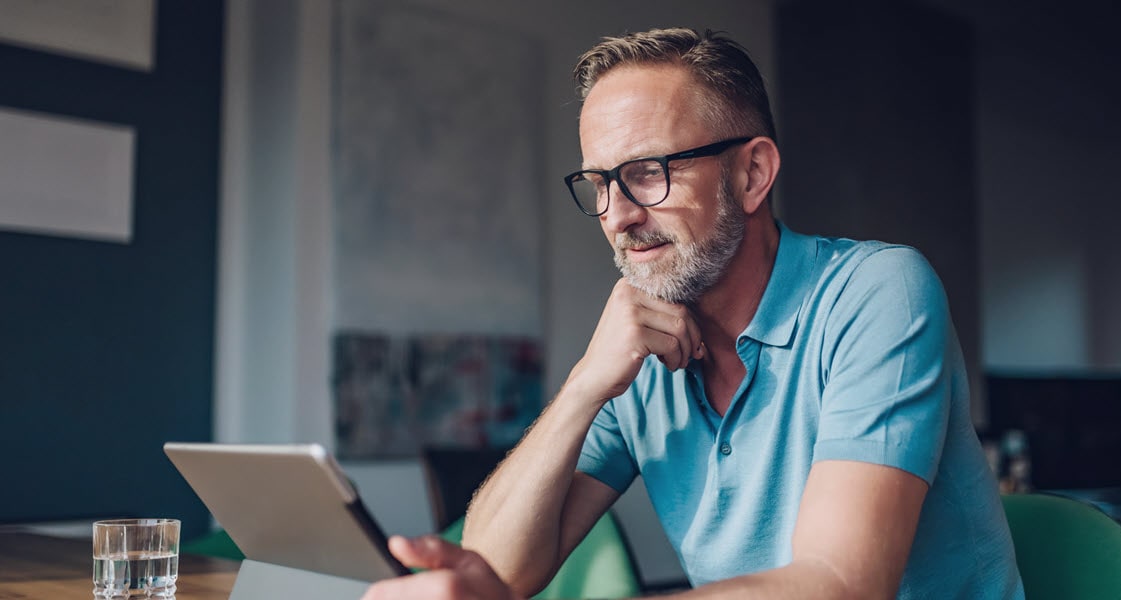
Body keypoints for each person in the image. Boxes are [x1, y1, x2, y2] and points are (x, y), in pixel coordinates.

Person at [364, 28, 1024, 600]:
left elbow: (842, 584)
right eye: (599, 184)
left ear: (752, 173)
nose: (618, 216)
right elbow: (497, 573)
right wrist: (587, 385)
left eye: (648, 172)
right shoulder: (639, 354)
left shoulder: (877, 292)